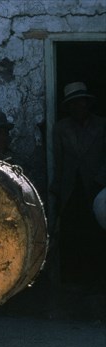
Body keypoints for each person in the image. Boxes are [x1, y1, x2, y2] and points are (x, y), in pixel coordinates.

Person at [51, 82, 106, 293]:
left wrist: (100, 180)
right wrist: (56, 187)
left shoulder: (102, 125)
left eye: (81, 102)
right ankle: (73, 279)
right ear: (69, 106)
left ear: (87, 103)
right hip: (71, 187)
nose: (78, 107)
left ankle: (98, 277)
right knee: (72, 232)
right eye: (73, 103)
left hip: (97, 187)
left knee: (97, 231)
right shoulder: (61, 128)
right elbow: (59, 159)